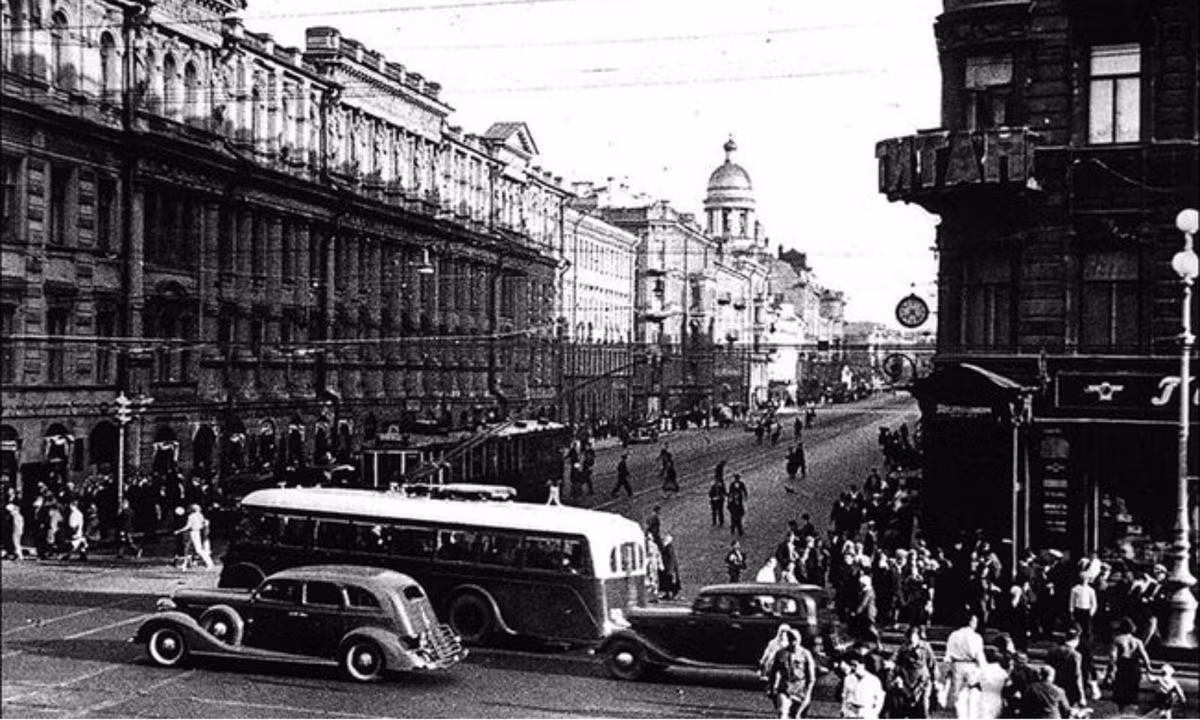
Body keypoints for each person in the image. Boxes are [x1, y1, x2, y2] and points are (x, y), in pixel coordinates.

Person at [1105, 615, 1153, 715]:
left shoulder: (1117, 640)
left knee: (1121, 693)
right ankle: (1132, 714)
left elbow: (1113, 658)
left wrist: (1110, 672)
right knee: (1133, 692)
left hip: (1123, 666)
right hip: (1135, 666)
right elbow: (1144, 656)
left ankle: (1121, 713)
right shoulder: (1137, 641)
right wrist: (1148, 668)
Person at [944, 612, 987, 719]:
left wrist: (948, 669)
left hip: (957, 666)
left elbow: (948, 656)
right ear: (971, 622)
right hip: (971, 667)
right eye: (975, 622)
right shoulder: (976, 637)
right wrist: (984, 669)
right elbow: (979, 656)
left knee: (958, 698)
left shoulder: (953, 635)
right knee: (972, 697)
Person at [767, 629, 817, 719]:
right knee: (782, 713)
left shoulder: (805, 654)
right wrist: (771, 688)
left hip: (800, 689)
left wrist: (808, 693)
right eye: (790, 639)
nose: (793, 642)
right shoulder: (780, 653)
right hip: (785, 687)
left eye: (795, 639)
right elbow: (773, 672)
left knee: (797, 716)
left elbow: (811, 678)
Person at [893, 625, 937, 718]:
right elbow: (898, 663)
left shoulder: (925, 647)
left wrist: (935, 679)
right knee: (905, 708)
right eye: (910, 637)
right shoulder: (904, 648)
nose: (912, 640)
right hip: (908, 680)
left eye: (915, 636)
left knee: (924, 707)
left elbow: (932, 663)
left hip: (923, 680)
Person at [1045, 625, 1087, 710]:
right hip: (1070, 689)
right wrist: (1081, 696)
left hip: (1055, 685)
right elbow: (1077, 676)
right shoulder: (1075, 655)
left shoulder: (1052, 651)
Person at [842, 653, 886, 719]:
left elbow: (880, 698)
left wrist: (874, 713)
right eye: (851, 665)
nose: (853, 668)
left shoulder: (873, 680)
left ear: (862, 665)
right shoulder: (848, 679)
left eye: (855, 665)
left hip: (866, 713)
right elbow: (845, 696)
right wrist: (844, 711)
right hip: (851, 713)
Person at [176, 503, 214, 570]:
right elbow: (204, 523)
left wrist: (179, 531)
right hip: (199, 532)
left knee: (198, 550)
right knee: (188, 550)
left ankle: (209, 563)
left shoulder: (191, 516)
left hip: (194, 533)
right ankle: (184, 565)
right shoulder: (200, 515)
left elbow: (188, 526)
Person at [658, 533, 681, 600]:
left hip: (669, 568)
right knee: (668, 582)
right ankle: (668, 594)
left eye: (664, 540)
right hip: (668, 568)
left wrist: (670, 569)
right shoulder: (668, 548)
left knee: (669, 582)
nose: (663, 541)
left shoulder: (669, 548)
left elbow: (671, 560)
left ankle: (670, 595)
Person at [4, 494, 24, 560]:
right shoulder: (17, 516)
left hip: (17, 530)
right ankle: (17, 553)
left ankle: (19, 554)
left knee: (16, 541)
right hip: (17, 530)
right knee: (16, 541)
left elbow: (17, 525)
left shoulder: (16, 516)